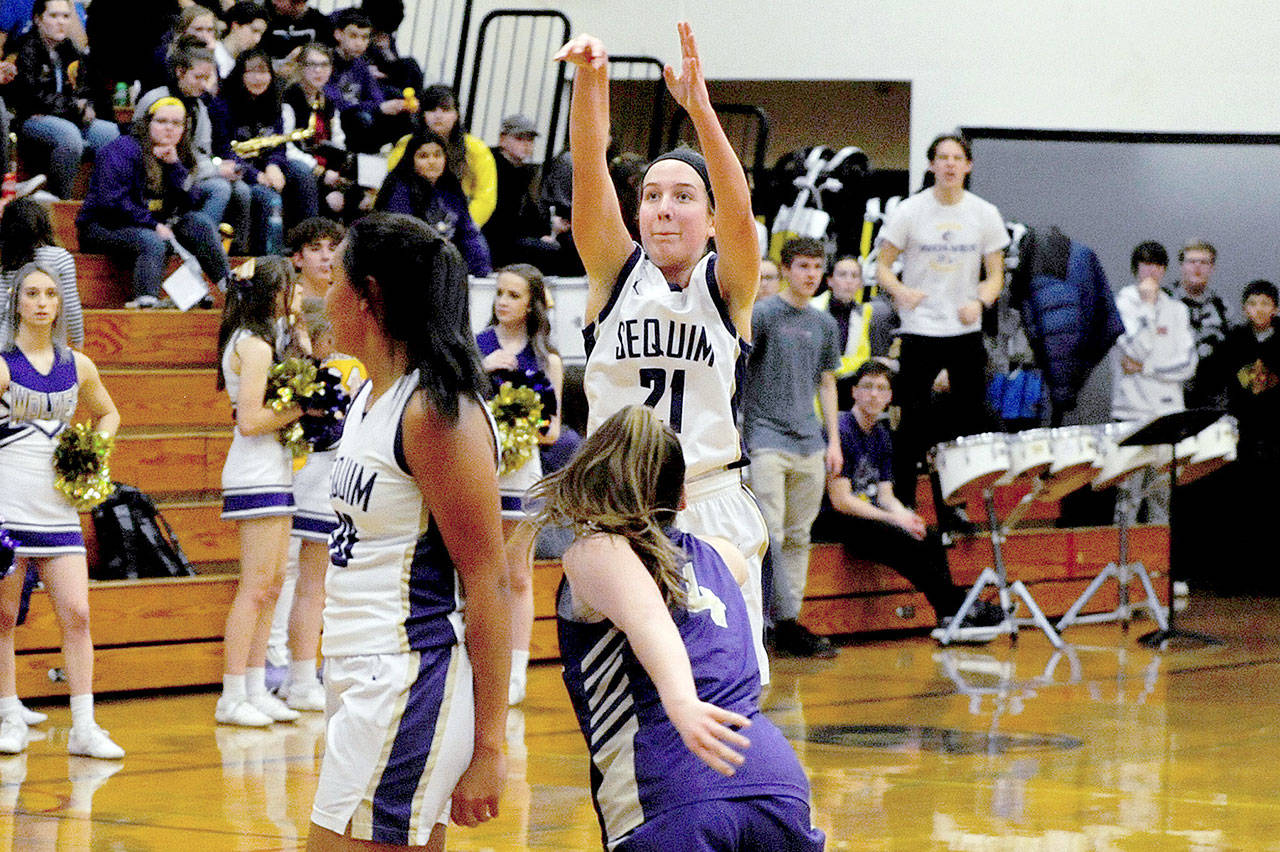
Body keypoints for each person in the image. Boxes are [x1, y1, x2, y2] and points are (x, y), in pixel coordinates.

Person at [557, 22, 771, 682]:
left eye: (683, 197)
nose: (664, 210)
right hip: (616, 509)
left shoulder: (727, 286)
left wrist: (700, 109)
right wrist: (591, 83)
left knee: (723, 696)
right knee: (624, 709)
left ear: (708, 218)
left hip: (709, 505)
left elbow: (742, 215)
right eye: (652, 197)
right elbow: (589, 174)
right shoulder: (614, 278)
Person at [535, 404, 825, 851]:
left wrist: (683, 703)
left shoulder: (594, 553)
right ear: (684, 499)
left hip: (674, 781)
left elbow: (651, 619)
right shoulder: (723, 555)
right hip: (773, 776)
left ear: (594, 481)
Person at [307, 212, 509, 849]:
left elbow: (490, 581)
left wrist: (489, 747)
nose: (323, 294)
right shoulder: (370, 396)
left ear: (369, 295)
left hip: (410, 674)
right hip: (357, 669)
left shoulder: (434, 413)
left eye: (335, 278)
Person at [0, 262, 125, 759]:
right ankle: (9, 713)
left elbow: (109, 412)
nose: (42, 302)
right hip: (8, 505)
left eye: (50, 293)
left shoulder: (79, 364)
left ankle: (84, 725)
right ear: (17, 303)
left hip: (58, 508)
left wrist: (93, 450)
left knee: (77, 613)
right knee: (4, 617)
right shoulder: (4, 366)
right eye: (32, 293)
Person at [815, 360, 1004, 636]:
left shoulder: (881, 435)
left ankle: (949, 614)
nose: (874, 395)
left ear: (890, 397)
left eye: (881, 389)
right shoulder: (841, 429)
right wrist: (894, 519)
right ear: (854, 392)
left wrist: (905, 516)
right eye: (867, 387)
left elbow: (886, 495)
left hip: (869, 515)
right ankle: (957, 608)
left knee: (929, 535)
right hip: (837, 519)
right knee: (907, 542)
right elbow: (842, 501)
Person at [875, 133, 1009, 521]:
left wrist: (981, 300)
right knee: (912, 422)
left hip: (964, 330)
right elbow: (883, 266)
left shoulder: (984, 213)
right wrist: (901, 291)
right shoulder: (910, 210)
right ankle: (903, 505)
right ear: (932, 165)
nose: (950, 164)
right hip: (921, 328)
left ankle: (957, 506)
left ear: (967, 166)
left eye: (957, 158)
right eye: (942, 157)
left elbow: (996, 274)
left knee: (969, 422)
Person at [214, 255, 307, 727]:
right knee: (255, 587)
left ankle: (254, 685)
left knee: (271, 585)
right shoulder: (253, 346)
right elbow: (250, 421)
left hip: (272, 470)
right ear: (276, 294)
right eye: (291, 289)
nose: (298, 297)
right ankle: (231, 694)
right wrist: (302, 409)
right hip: (255, 472)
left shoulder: (263, 341)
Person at [742, 237, 841, 658]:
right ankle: (764, 620)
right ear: (786, 269)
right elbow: (740, 375)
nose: (811, 275)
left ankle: (789, 621)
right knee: (770, 535)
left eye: (817, 267)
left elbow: (827, 381)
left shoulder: (824, 324)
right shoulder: (762, 315)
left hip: (809, 441)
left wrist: (832, 440)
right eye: (803, 266)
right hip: (766, 438)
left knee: (800, 535)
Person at [475, 263, 562, 705]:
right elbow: (454, 407)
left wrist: (521, 420)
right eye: (499, 293)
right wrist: (483, 370)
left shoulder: (548, 359)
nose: (503, 302)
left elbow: (552, 431)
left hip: (523, 473)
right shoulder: (475, 348)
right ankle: (477, 663)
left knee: (519, 576)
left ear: (532, 304)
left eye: (513, 295)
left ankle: (516, 670)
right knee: (477, 573)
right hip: (479, 471)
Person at [275, 298, 363, 711]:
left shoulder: (299, 369)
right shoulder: (343, 368)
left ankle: (296, 675)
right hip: (324, 476)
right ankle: (301, 678)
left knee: (299, 582)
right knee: (313, 586)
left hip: (304, 473)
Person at [265, 216, 343, 680]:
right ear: (297, 258)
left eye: (334, 247)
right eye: (316, 248)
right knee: (286, 562)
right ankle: (274, 656)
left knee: (324, 567)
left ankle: (305, 658)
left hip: (337, 453)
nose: (327, 256)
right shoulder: (284, 320)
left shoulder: (353, 307)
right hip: (293, 448)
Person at [76, 97, 231, 308]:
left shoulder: (179, 153)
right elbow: (110, 201)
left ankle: (230, 289)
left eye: (176, 124)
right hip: (103, 226)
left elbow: (191, 201)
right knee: (152, 240)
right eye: (161, 121)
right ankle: (146, 303)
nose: (169, 128)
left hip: (151, 225)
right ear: (147, 123)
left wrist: (175, 166)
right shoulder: (122, 150)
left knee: (199, 223)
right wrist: (153, 224)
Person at [1111, 241, 1196, 525]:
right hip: (1131, 414)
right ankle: (1124, 565)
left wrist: (1146, 368)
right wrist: (1147, 307)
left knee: (1161, 499)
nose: (1152, 270)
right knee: (1127, 500)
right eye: (1146, 264)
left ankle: (1157, 568)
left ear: (1164, 270)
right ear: (1136, 268)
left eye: (1158, 265)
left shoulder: (1177, 310)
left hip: (1168, 415)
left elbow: (1187, 365)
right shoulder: (1123, 303)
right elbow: (1134, 349)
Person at [10, 0, 120, 199]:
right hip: (32, 119)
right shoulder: (28, 48)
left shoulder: (71, 50)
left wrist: (87, 106)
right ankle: (61, 199)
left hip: (68, 116)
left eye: (66, 16)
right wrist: (75, 108)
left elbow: (86, 88)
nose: (61, 22)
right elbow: (34, 97)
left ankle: (104, 198)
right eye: (54, 16)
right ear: (37, 20)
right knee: (69, 136)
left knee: (110, 132)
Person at [135, 36, 237, 229]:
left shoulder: (200, 106)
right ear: (180, 72)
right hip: (152, 171)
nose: (204, 85)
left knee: (237, 188)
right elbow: (137, 144)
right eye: (198, 77)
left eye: (207, 79)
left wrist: (219, 166)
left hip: (184, 171)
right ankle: (197, 239)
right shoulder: (155, 99)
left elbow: (201, 152)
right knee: (219, 187)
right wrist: (215, 170)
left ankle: (209, 238)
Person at [216, 46, 313, 248]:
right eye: (251, 72)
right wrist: (256, 175)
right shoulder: (222, 106)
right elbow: (223, 150)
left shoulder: (274, 101)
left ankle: (307, 244)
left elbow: (278, 144)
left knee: (303, 173)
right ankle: (270, 258)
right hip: (239, 170)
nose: (258, 78)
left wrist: (273, 165)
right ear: (240, 74)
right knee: (269, 198)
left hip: (266, 165)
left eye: (264, 72)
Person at [373, 129, 491, 276]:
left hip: (442, 263)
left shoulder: (452, 188)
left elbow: (468, 233)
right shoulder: (399, 187)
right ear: (411, 160)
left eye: (438, 155)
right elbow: (403, 237)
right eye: (423, 156)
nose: (432, 161)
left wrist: (482, 273)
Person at [0, 197, 83, 348]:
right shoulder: (60, 258)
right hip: (48, 344)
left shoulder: (6, 260)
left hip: (7, 344)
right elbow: (71, 306)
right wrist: (78, 342)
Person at [280, 42, 349, 219]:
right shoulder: (289, 97)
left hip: (326, 168)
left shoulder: (329, 102)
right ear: (301, 67)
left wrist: (338, 173)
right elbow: (286, 146)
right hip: (298, 164)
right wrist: (321, 173)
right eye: (312, 65)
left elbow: (338, 141)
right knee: (304, 174)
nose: (319, 71)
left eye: (324, 65)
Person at [328, 8, 410, 154]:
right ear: (338, 34)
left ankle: (395, 156)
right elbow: (335, 102)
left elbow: (376, 96)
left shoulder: (361, 63)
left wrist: (388, 106)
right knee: (362, 118)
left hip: (359, 112)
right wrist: (377, 108)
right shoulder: (326, 61)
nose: (359, 43)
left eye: (365, 37)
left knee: (400, 110)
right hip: (335, 118)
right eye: (353, 36)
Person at [419, 83, 497, 228]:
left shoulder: (476, 149)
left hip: (459, 219)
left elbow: (485, 198)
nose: (438, 115)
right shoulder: (405, 144)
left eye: (445, 109)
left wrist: (463, 227)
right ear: (422, 114)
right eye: (431, 109)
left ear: (456, 115)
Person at [1167, 240, 1230, 409]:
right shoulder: (1163, 301)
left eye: (1204, 262)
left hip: (1211, 403)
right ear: (1181, 266)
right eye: (1191, 261)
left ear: (1212, 268)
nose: (1197, 267)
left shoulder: (1221, 307)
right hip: (1169, 397)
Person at [215, 1, 269, 79]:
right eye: (254, 30)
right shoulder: (212, 53)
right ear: (235, 26)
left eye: (261, 34)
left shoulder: (245, 64)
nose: (257, 39)